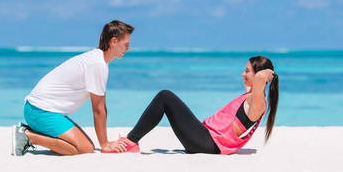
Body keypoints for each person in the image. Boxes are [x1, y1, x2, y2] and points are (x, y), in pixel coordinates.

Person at [106, 55, 279, 155]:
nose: (242, 74)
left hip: (207, 143)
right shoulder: (249, 97)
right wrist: (256, 76)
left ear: (259, 76)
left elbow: (258, 79)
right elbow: (255, 80)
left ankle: (131, 141)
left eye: (247, 71)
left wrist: (266, 73)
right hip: (205, 139)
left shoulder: (257, 103)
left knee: (165, 96)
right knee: (166, 97)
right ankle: (132, 141)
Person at [12, 20, 134, 156]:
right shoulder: (97, 64)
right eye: (126, 44)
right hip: (40, 111)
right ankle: (29, 136)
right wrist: (105, 144)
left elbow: (101, 107)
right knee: (85, 149)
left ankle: (30, 131)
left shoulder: (96, 59)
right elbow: (98, 109)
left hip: (38, 110)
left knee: (85, 145)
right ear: (114, 41)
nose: (128, 49)